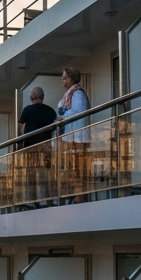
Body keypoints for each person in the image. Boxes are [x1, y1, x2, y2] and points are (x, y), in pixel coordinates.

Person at [57, 68, 90, 201]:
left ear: (72, 79)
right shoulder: (69, 95)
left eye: (64, 77)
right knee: (72, 166)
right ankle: (75, 193)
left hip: (78, 137)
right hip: (71, 136)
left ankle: (79, 195)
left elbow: (79, 111)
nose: (62, 80)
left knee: (77, 166)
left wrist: (64, 116)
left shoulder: (78, 94)